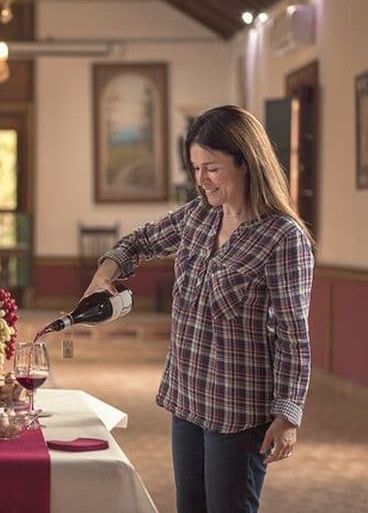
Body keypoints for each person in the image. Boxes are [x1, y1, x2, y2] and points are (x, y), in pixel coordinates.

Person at [84, 105, 314, 512]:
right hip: (188, 400)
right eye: (195, 168)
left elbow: (293, 337)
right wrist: (105, 274)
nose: (201, 179)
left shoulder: (283, 238)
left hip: (238, 411)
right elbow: (138, 242)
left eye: (211, 168)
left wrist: (288, 416)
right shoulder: (199, 215)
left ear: (245, 163)